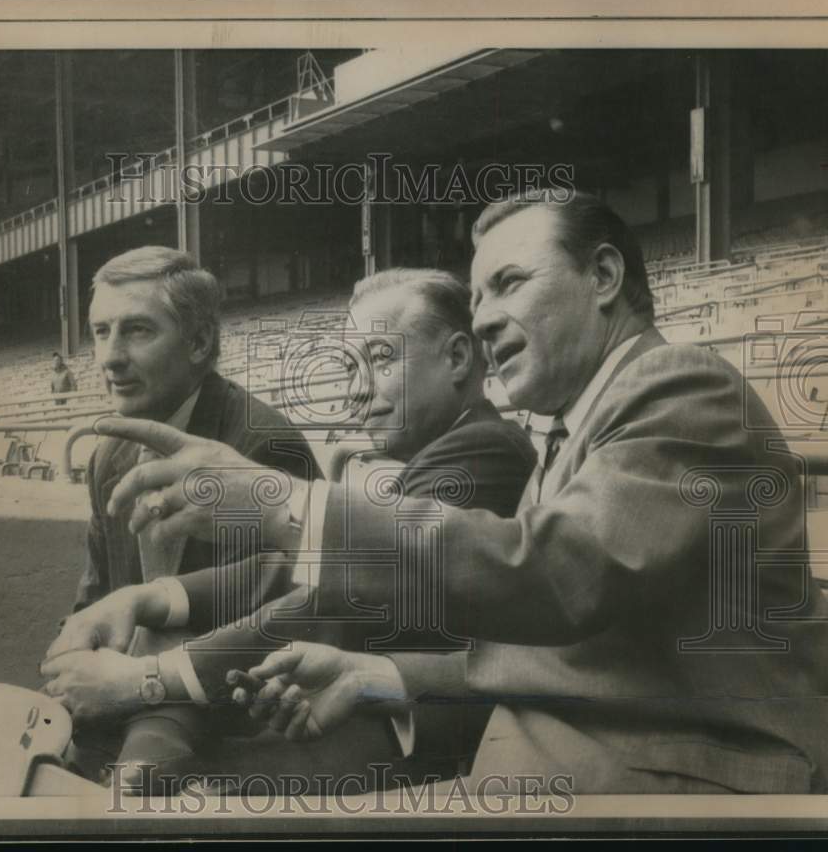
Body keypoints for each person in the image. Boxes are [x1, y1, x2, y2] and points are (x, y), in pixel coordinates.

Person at [87, 191, 828, 794]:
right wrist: (379, 674)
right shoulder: (576, 428)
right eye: (476, 295)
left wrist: (287, 505)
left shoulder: (681, 385)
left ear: (603, 277)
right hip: (581, 765)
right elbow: (586, 652)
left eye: (509, 282)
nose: (482, 316)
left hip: (673, 782)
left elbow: (555, 576)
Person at [42, 267, 536, 791]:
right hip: (347, 707)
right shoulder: (445, 454)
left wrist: (147, 680)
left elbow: (337, 598)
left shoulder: (485, 451)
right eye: (351, 367)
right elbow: (312, 569)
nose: (357, 391)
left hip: (404, 735)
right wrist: (158, 596)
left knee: (169, 791)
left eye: (382, 359)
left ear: (458, 358)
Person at [47, 245, 320, 785]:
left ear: (198, 343)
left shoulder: (263, 443)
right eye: (101, 332)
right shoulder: (109, 454)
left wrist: (135, 684)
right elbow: (96, 593)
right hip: (127, 699)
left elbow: (287, 617)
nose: (110, 357)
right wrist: (75, 653)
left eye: (137, 331)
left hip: (221, 710)